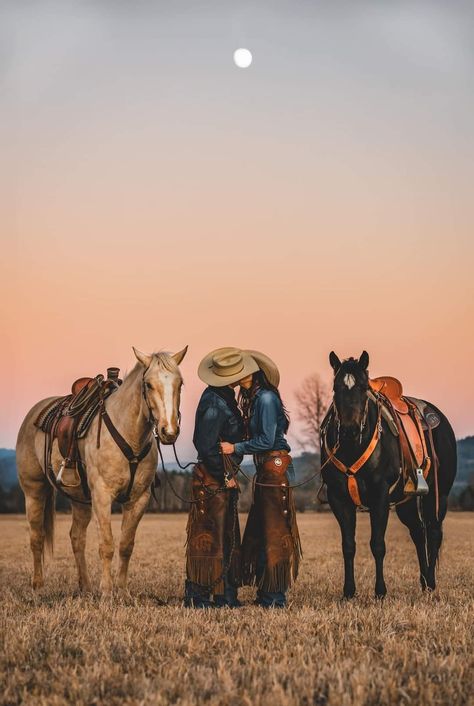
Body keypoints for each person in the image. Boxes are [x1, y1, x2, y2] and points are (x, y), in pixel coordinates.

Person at [221, 350, 302, 608]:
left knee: (273, 534)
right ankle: (269, 595)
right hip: (267, 470)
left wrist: (235, 448)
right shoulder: (256, 399)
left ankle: (275, 598)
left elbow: (267, 440)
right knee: (266, 532)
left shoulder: (265, 399)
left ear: (253, 373)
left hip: (273, 469)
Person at [184, 347, 259, 608]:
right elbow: (205, 446)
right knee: (209, 538)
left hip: (218, 478)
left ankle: (223, 595)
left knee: (223, 536)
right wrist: (226, 474)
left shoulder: (222, 397)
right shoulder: (214, 401)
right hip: (213, 479)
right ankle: (201, 597)